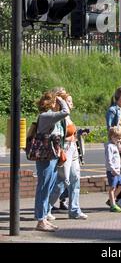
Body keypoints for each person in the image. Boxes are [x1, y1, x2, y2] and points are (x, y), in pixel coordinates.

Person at [48, 89, 87, 220]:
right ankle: (46, 208)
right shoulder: (59, 116)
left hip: (73, 148)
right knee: (63, 180)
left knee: (75, 178)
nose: (71, 103)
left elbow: (71, 132)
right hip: (64, 149)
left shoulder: (68, 117)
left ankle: (75, 210)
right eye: (68, 101)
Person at [34, 91, 70, 232]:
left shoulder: (51, 117)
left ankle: (43, 218)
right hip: (46, 156)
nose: (58, 104)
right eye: (56, 101)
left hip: (52, 155)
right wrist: (61, 100)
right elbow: (66, 112)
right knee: (43, 187)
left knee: (48, 187)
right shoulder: (46, 116)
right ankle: (40, 220)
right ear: (51, 103)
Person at [105, 127, 121, 213]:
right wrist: (112, 169)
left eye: (120, 138)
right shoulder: (109, 146)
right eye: (117, 138)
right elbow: (109, 159)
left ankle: (111, 200)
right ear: (112, 137)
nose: (119, 139)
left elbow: (120, 151)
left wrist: (119, 145)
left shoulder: (115, 145)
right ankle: (113, 205)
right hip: (112, 171)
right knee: (112, 188)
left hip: (118, 170)